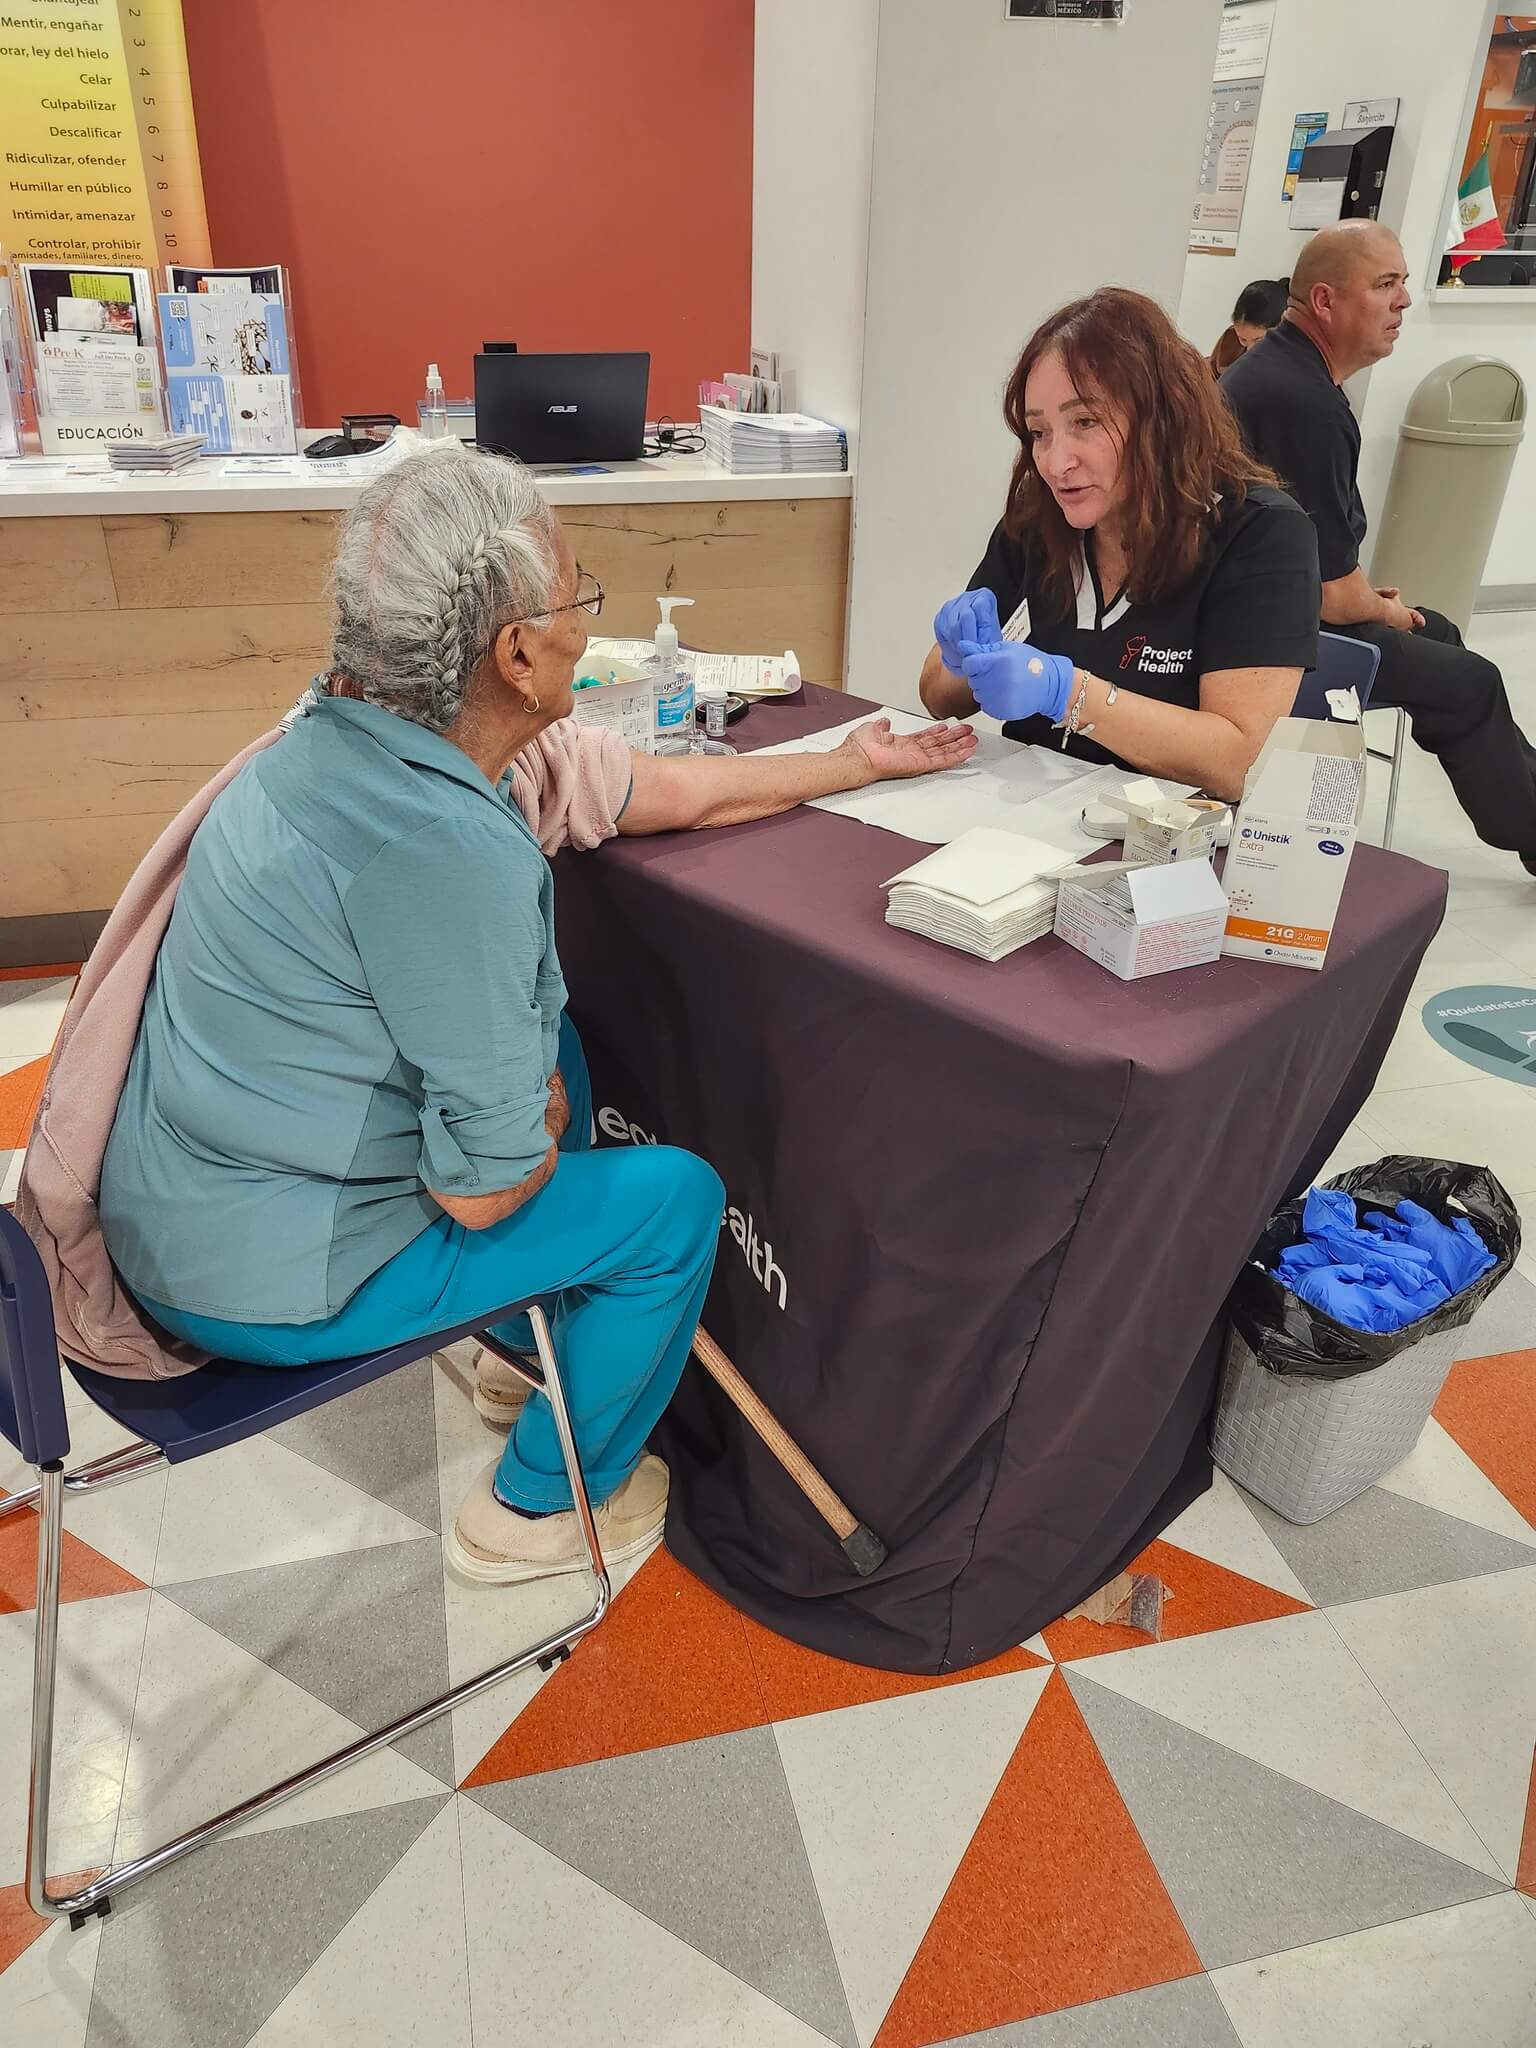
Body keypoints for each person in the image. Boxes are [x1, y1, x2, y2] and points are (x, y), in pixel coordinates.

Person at [98, 446, 975, 1586]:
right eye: (578, 592)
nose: (584, 616)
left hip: (192, 1197)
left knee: (548, 1050)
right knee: (674, 1204)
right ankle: (538, 1502)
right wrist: (532, 1105)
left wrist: (844, 765)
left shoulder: (339, 736)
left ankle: (525, 1345)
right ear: (515, 651)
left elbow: (652, 786)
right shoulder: (444, 849)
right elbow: (481, 1187)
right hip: (256, 1275)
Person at [920, 287, 1320, 802]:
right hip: (1025, 824)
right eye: (1040, 432)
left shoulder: (1259, 535)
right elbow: (934, 697)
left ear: (1163, 417)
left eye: (1084, 422)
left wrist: (1069, 695)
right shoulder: (1039, 522)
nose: (1056, 462)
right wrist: (958, 660)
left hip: (1167, 844)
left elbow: (1235, 763)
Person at [1221, 219, 1536, 870]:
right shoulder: (1303, 400)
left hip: (1273, 606)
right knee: (1471, 681)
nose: (1405, 301)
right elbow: (1335, 598)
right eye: (1386, 284)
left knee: (1441, 633)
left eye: (1403, 284)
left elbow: (1328, 568)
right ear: (1328, 302)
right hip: (1261, 638)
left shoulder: (1286, 373)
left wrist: (1376, 603)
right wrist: (1384, 609)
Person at [1210, 277, 1289, 375]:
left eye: (1258, 340)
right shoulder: (1231, 340)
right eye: (1242, 339)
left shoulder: (1293, 360)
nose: (1250, 350)